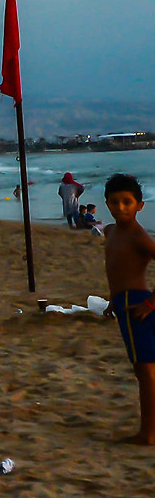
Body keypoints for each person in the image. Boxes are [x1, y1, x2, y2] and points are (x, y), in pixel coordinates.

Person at [103, 175, 155, 444]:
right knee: (144, 369)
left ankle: (148, 434)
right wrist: (114, 300)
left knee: (145, 370)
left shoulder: (138, 236)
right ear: (106, 203)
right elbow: (119, 271)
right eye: (114, 202)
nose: (120, 207)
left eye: (127, 202)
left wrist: (150, 303)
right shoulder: (111, 231)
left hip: (139, 306)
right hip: (124, 303)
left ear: (140, 206)